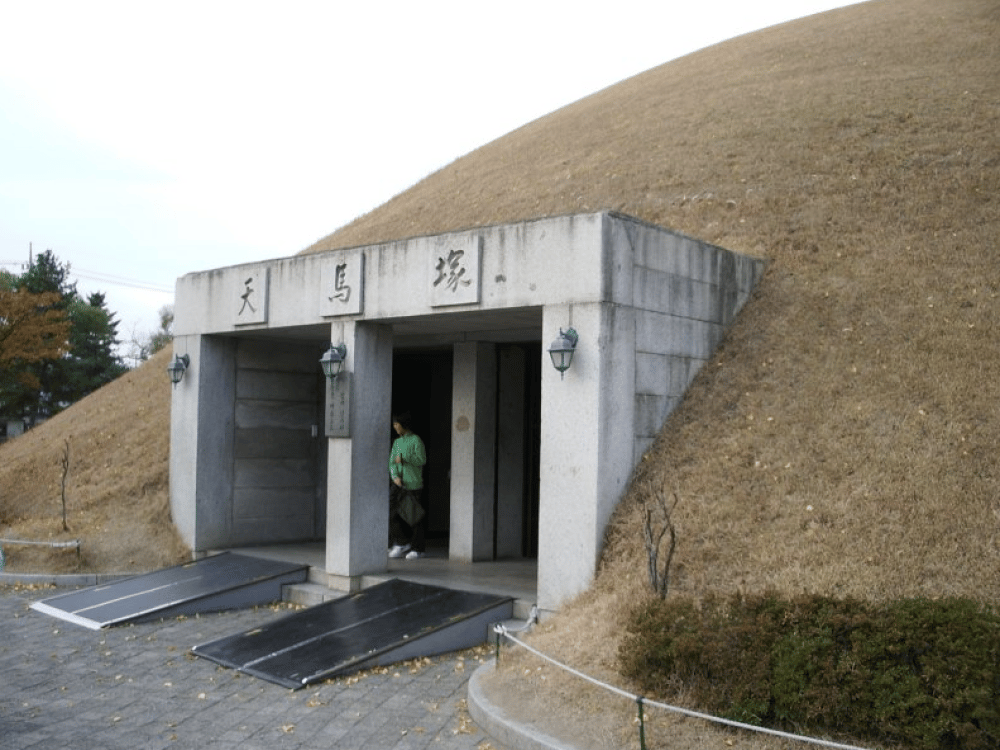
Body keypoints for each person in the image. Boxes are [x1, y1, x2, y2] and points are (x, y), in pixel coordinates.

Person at [388, 411, 427, 560]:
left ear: (403, 424)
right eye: (394, 425)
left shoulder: (416, 440)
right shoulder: (397, 442)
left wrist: (404, 458)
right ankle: (401, 542)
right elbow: (392, 462)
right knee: (392, 513)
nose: (395, 427)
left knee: (414, 517)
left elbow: (421, 460)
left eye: (397, 424)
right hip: (398, 484)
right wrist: (395, 476)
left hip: (413, 484)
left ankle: (418, 548)